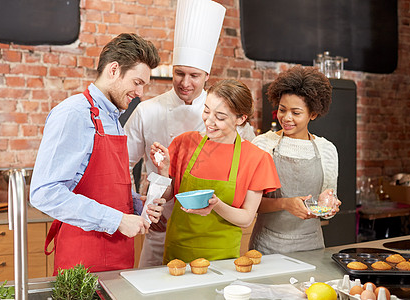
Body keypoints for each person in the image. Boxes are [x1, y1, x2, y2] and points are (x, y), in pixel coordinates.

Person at [125, 0, 255, 267]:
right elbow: (121, 163)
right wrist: (139, 205)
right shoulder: (147, 111)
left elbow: (248, 159)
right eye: (179, 73)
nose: (185, 83)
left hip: (213, 226)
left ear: (207, 75)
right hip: (158, 220)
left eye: (194, 75)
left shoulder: (225, 109)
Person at [30, 33, 164, 274]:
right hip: (83, 262)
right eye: (137, 82)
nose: (141, 92)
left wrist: (135, 205)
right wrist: (117, 220)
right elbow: (44, 193)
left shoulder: (113, 119)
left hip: (119, 257)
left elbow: (106, 187)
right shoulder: (73, 113)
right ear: (114, 70)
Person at [150, 79, 280, 264]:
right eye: (206, 111)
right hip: (178, 252)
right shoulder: (184, 143)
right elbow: (169, 196)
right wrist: (163, 172)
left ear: (241, 118)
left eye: (220, 117)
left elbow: (246, 218)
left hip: (223, 257)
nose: (209, 122)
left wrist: (216, 205)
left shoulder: (257, 158)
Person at [249, 66, 342, 254]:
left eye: (296, 112)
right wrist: (285, 203)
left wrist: (330, 205)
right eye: (282, 110)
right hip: (267, 246)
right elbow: (249, 205)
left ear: (313, 114)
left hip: (312, 246)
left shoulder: (327, 150)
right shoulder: (263, 145)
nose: (286, 118)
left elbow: (327, 200)